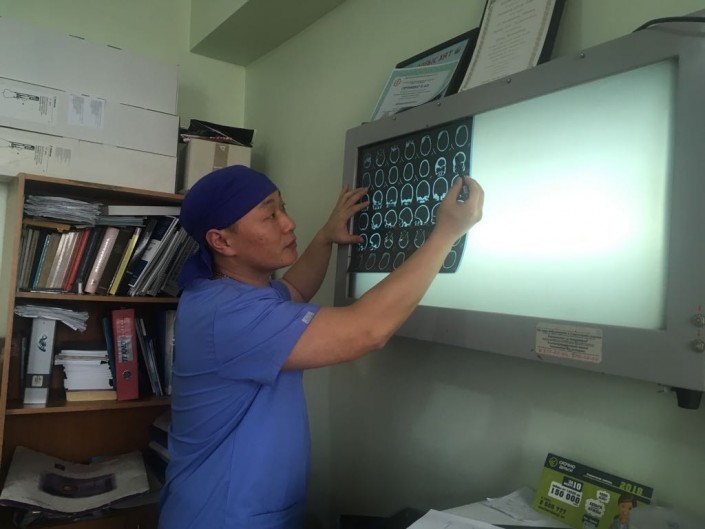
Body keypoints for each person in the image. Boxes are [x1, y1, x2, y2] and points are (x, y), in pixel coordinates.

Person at [158, 164, 484, 529]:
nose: (289, 223)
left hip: (242, 507)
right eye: (270, 216)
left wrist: (326, 237)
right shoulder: (228, 315)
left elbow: (294, 290)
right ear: (221, 242)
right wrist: (446, 234)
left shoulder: (226, 292)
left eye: (283, 207)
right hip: (221, 517)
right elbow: (367, 330)